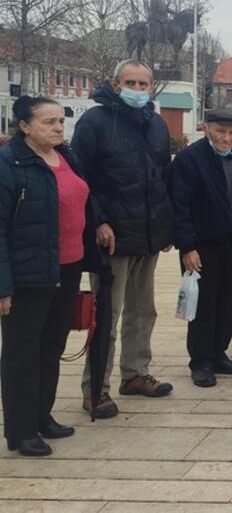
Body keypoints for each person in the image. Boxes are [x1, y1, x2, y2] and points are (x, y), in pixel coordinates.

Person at [71, 59, 173, 419]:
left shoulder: (156, 124)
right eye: (130, 82)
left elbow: (162, 177)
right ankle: (95, 387)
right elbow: (80, 178)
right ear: (116, 84)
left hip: (147, 235)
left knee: (143, 311)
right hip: (111, 237)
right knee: (106, 316)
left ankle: (136, 374)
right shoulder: (95, 122)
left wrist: (165, 228)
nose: (137, 89)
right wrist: (98, 222)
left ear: (152, 87)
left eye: (143, 83)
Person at [1, 96, 99, 456]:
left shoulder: (66, 157)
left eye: (60, 120)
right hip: (29, 273)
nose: (58, 127)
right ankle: (21, 430)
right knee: (21, 353)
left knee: (51, 346)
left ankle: (43, 416)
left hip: (67, 266)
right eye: (48, 122)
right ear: (24, 126)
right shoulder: (10, 163)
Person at [168, 109, 232, 387]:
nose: (226, 138)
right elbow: (180, 206)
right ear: (207, 129)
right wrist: (187, 246)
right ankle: (201, 362)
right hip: (202, 247)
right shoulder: (189, 160)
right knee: (203, 305)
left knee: (229, 303)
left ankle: (219, 353)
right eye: (221, 131)